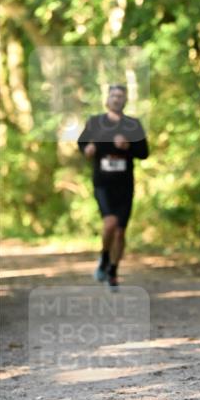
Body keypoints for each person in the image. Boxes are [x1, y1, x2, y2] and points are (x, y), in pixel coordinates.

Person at [77, 84, 149, 288]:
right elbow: (82, 143)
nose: (117, 99)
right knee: (110, 224)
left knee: (120, 232)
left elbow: (144, 152)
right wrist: (87, 149)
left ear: (125, 100)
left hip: (125, 185)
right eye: (113, 96)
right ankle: (104, 258)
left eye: (120, 96)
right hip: (103, 183)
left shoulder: (133, 125)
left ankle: (113, 271)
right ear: (107, 99)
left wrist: (129, 146)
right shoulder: (95, 122)